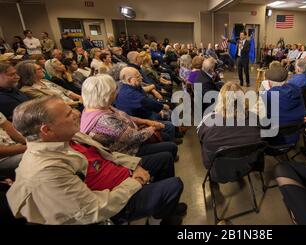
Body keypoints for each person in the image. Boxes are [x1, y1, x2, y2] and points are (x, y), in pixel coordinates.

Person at [7, 96, 185, 225]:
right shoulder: (46, 171)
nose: (77, 113)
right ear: (47, 130)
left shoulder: (70, 136)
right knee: (174, 185)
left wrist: (135, 165)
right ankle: (163, 216)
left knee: (163, 158)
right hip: (114, 201)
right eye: (68, 114)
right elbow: (93, 210)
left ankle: (163, 209)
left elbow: (108, 154)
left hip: (119, 176)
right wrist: (136, 181)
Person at [80, 74, 178, 159]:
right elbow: (134, 138)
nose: (116, 93)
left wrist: (146, 122)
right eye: (114, 91)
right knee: (170, 147)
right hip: (128, 152)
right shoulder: (104, 120)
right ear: (106, 95)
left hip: (134, 135)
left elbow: (126, 117)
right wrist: (153, 127)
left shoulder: (100, 106)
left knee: (166, 135)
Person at [197, 82, 260, 169]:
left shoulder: (208, 121)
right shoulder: (255, 119)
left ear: (220, 100)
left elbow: (200, 137)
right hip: (248, 164)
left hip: (219, 170)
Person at [16, 60, 82, 107]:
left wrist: (81, 98)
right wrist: (78, 103)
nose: (43, 70)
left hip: (73, 103)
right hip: (64, 110)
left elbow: (66, 91)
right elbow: (52, 104)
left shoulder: (44, 81)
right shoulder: (28, 90)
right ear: (30, 73)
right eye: (39, 69)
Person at [0, 112, 26, 178]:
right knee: (40, 156)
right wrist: (29, 147)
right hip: (3, 159)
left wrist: (32, 142)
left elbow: (12, 130)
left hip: (18, 148)